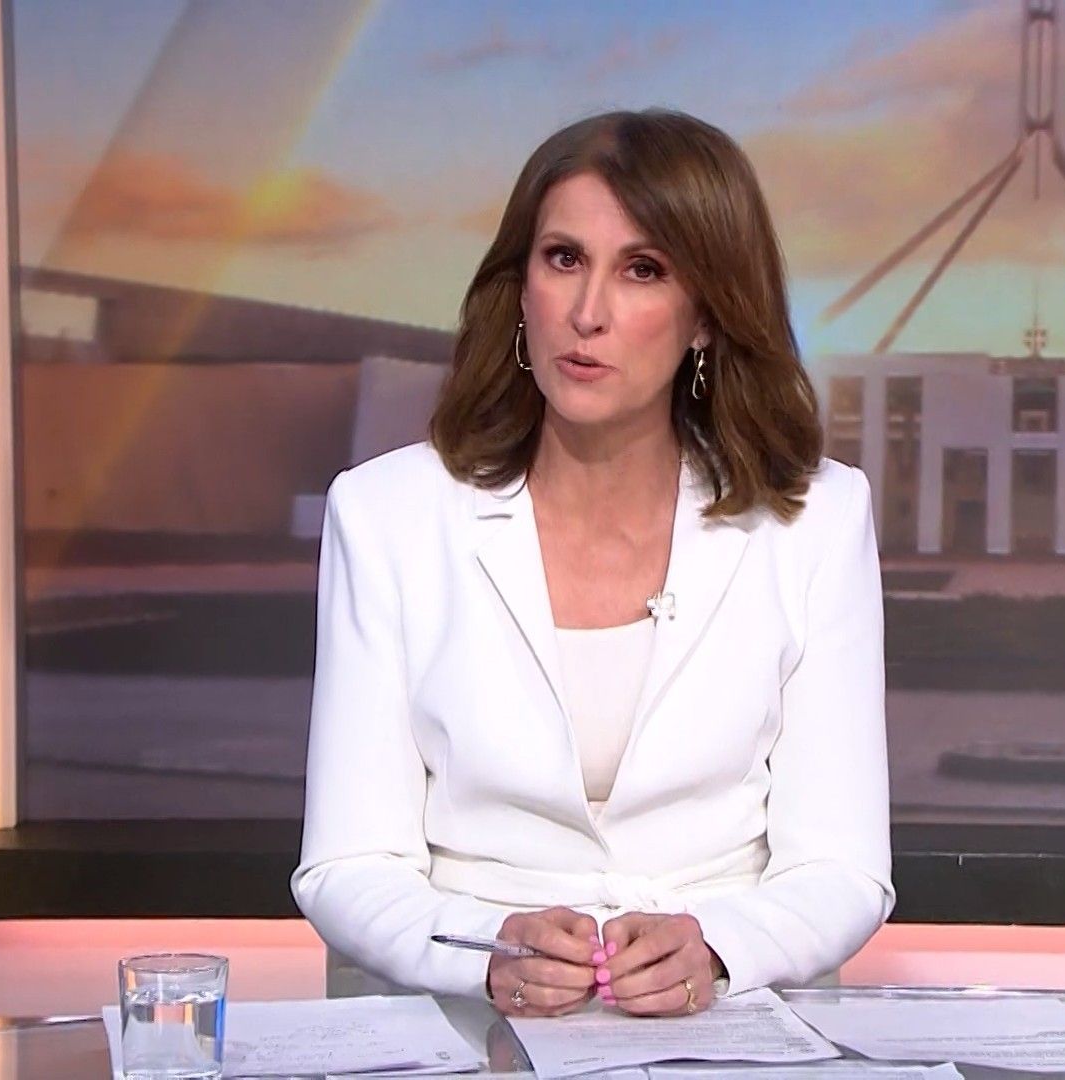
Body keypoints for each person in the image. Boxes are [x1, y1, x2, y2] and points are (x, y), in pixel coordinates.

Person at [291, 108, 892, 1019]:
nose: (587, 313)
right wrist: (484, 950)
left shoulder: (813, 520)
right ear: (520, 287)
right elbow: (347, 863)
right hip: (468, 1020)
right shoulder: (386, 515)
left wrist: (720, 947)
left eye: (642, 270)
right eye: (563, 259)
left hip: (727, 1026)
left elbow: (843, 868)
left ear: (706, 315)